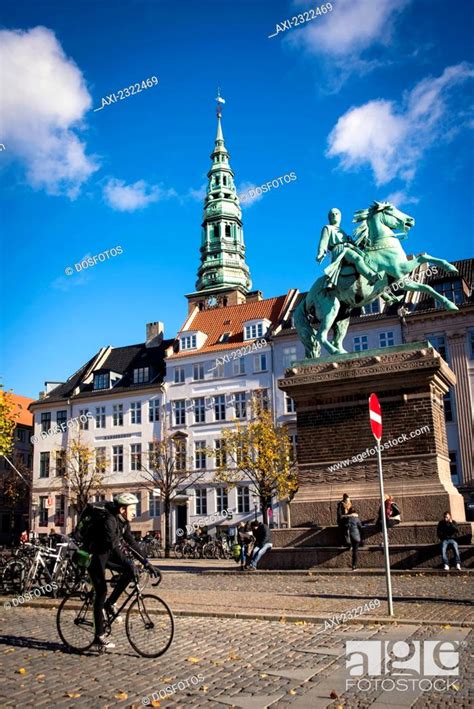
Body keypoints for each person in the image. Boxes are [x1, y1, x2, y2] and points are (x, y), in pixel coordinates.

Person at [87, 493, 159, 649]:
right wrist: (128, 563)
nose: (135, 512)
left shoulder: (125, 522)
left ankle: (110, 604)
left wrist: (147, 563)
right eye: (133, 509)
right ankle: (98, 636)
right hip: (95, 557)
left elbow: (132, 543)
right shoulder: (110, 521)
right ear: (122, 509)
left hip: (107, 556)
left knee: (129, 572)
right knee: (101, 592)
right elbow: (114, 546)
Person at [317, 208, 381, 289]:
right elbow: (323, 241)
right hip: (339, 250)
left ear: (340, 217)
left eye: (336, 214)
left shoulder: (341, 231)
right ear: (329, 218)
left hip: (348, 247)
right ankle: (371, 277)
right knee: (357, 258)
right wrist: (321, 253)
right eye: (332, 214)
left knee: (365, 257)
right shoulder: (327, 228)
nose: (334, 216)